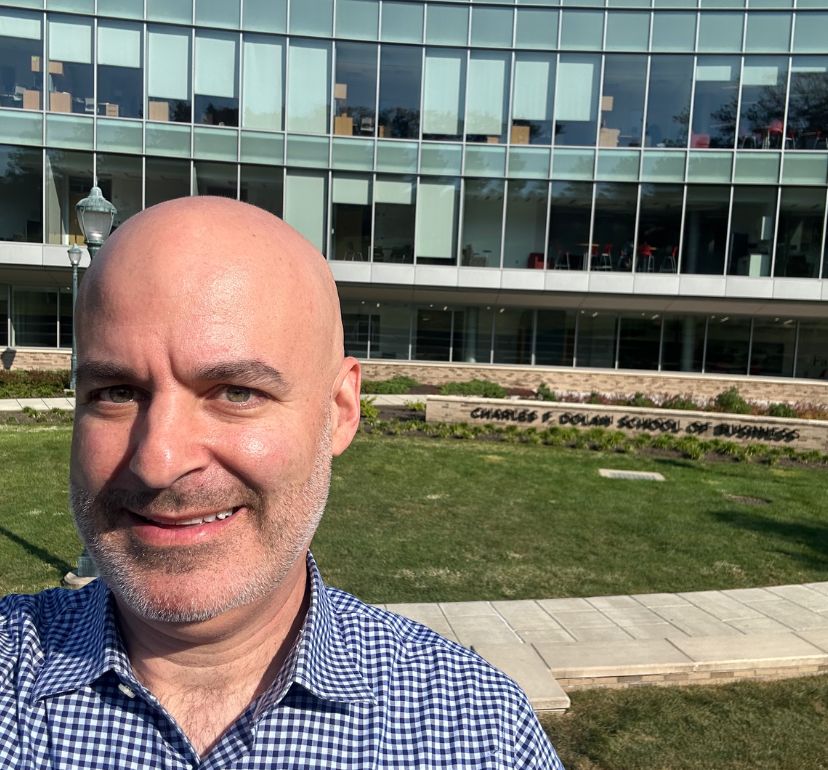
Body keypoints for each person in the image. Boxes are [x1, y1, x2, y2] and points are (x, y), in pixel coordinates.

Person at [0, 198, 563, 768]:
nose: (159, 461)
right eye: (117, 393)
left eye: (236, 392)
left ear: (339, 411)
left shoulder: (479, 735)